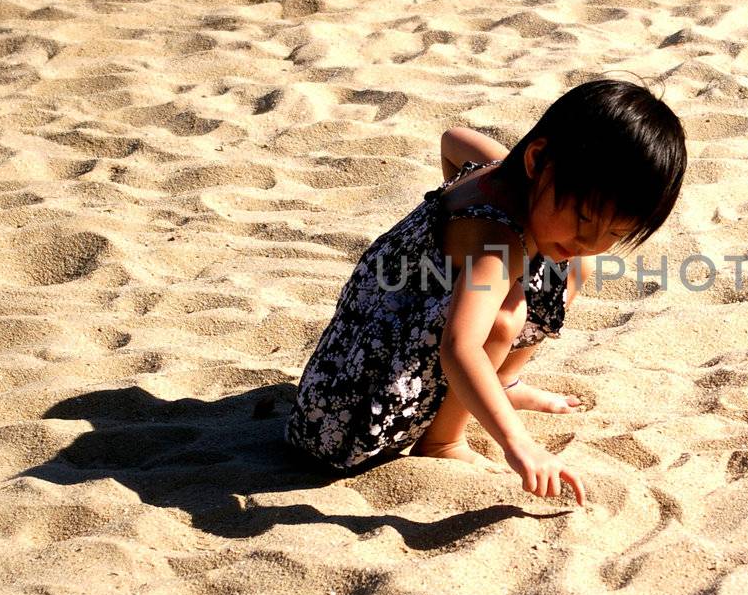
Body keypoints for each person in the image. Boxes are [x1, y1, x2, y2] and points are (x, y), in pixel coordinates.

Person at [284, 78, 687, 508]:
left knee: (571, 266)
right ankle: (443, 440)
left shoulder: (499, 171)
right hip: (346, 421)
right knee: (503, 315)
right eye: (584, 217)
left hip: (357, 350)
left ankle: (501, 381)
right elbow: (460, 347)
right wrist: (518, 442)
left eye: (615, 232)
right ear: (537, 160)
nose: (589, 239)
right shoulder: (499, 244)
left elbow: (453, 140)